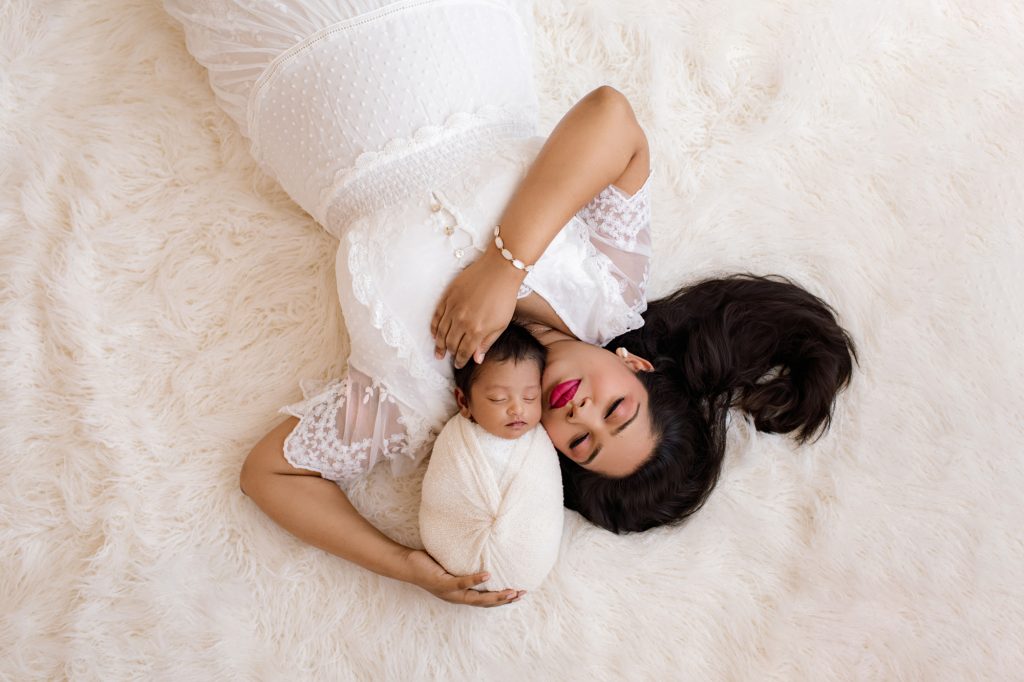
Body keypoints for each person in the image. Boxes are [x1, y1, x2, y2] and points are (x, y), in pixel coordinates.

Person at [164, 0, 856, 609]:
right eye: (615, 411)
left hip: (283, 52)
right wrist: (505, 263)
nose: (581, 413)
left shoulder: (419, 402)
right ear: (638, 368)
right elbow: (612, 119)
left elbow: (271, 474)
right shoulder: (609, 288)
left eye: (582, 443)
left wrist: (406, 566)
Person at [419, 323, 563, 597]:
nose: (518, 408)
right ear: (464, 402)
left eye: (530, 396)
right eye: (498, 398)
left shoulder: (539, 444)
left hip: (526, 553)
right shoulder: (456, 440)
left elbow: (545, 494)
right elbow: (443, 489)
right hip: (457, 544)